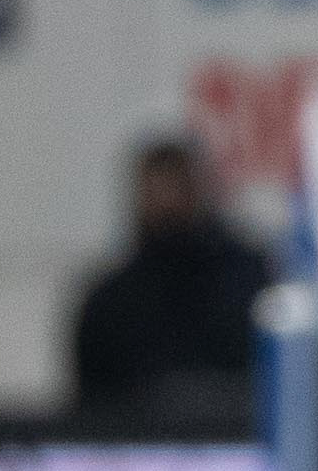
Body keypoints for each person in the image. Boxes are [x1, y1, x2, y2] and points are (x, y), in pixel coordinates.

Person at [67, 139, 269, 419]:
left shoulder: (249, 283)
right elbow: (89, 409)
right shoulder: (109, 303)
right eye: (157, 189)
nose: (167, 201)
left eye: (176, 186)